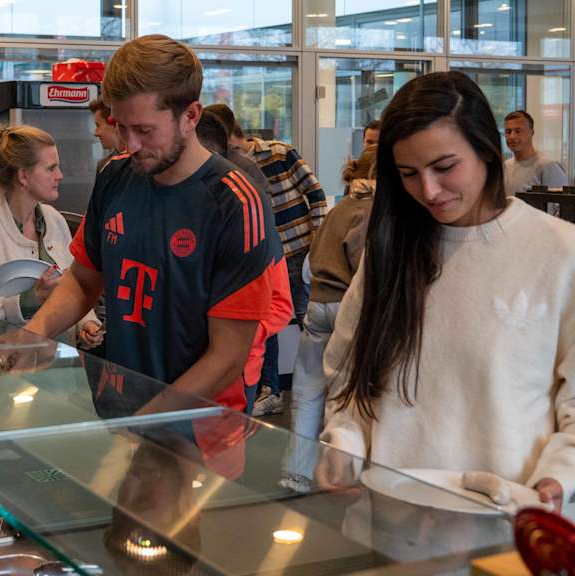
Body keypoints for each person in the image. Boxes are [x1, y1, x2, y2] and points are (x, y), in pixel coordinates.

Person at [317, 71, 575, 514]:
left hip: (506, 523)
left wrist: (560, 475)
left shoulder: (559, 251)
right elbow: (349, 373)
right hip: (390, 516)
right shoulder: (390, 250)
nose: (428, 191)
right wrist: (343, 443)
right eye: (408, 174)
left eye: (443, 167)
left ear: (487, 150)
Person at [0, 34, 287, 414]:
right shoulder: (115, 176)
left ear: (191, 116)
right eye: (121, 126)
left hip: (203, 425)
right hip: (122, 401)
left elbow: (228, 355)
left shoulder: (235, 203)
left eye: (145, 131)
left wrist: (148, 422)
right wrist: (34, 335)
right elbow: (84, 279)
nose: (129, 145)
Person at [214, 105, 327, 416]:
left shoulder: (279, 153)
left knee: (308, 321)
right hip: (270, 257)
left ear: (237, 137)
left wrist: (317, 244)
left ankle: (320, 391)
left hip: (300, 252)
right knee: (268, 324)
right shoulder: (230, 166)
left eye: (234, 149)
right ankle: (272, 390)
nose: (232, 156)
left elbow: (316, 194)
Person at [0, 124, 102, 347]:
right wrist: (28, 301)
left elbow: (75, 282)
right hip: (6, 365)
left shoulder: (55, 221)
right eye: (51, 168)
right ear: (23, 176)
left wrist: (86, 323)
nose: (60, 176)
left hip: (61, 364)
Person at [281, 145, 376, 489]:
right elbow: (365, 266)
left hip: (318, 303)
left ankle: (297, 472)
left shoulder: (341, 207)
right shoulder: (371, 211)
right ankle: (343, 472)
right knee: (346, 394)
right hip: (347, 305)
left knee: (306, 392)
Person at [503, 110, 567, 196]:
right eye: (508, 132)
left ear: (531, 132)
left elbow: (556, 207)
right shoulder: (506, 166)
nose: (512, 136)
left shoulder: (548, 166)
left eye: (518, 131)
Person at [90, 98, 124, 172]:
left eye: (98, 125)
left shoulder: (141, 164)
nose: (96, 133)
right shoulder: (103, 165)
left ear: (115, 124)